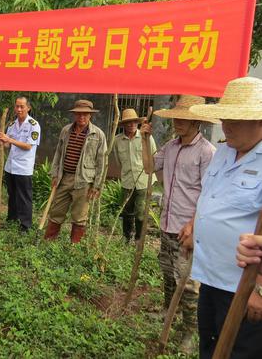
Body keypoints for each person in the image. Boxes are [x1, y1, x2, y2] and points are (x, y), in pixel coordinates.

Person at [183, 76, 262, 358]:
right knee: (210, 348)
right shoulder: (224, 153)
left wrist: (260, 289)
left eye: (236, 119)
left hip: (244, 290)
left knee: (241, 352)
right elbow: (209, 199)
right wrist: (195, 224)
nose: (227, 125)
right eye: (225, 117)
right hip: (210, 279)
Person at [141, 95, 218, 353]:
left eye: (184, 118)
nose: (178, 122)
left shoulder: (206, 151)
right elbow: (150, 166)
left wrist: (194, 225)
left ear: (196, 121)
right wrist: (144, 139)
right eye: (176, 117)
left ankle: (188, 332)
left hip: (188, 228)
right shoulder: (170, 147)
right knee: (167, 272)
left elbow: (209, 193)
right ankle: (167, 312)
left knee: (188, 283)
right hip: (167, 222)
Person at [44, 99, 107, 243]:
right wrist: (55, 173)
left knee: (79, 216)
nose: (82, 117)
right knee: (56, 211)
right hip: (64, 177)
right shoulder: (66, 130)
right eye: (79, 114)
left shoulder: (98, 135)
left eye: (85, 114)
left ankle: (75, 246)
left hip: (84, 181)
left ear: (90, 115)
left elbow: (101, 162)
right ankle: (49, 241)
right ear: (74, 115)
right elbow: (58, 153)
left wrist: (96, 186)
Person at [0, 96, 41, 232]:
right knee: (12, 194)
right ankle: (12, 219)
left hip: (23, 167)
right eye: (17, 106)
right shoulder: (12, 124)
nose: (19, 109)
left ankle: (25, 225)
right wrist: (2, 142)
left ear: (28, 108)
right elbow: (7, 144)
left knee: (24, 197)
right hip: (10, 166)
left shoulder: (34, 125)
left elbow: (28, 146)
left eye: (22, 106)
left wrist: (9, 139)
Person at [113, 108, 156, 243]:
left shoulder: (146, 137)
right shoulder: (117, 140)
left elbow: (153, 156)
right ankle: (127, 238)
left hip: (143, 179)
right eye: (128, 123)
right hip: (127, 181)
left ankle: (139, 239)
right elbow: (118, 161)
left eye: (133, 122)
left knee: (141, 211)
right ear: (124, 125)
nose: (131, 125)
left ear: (137, 123)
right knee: (127, 211)